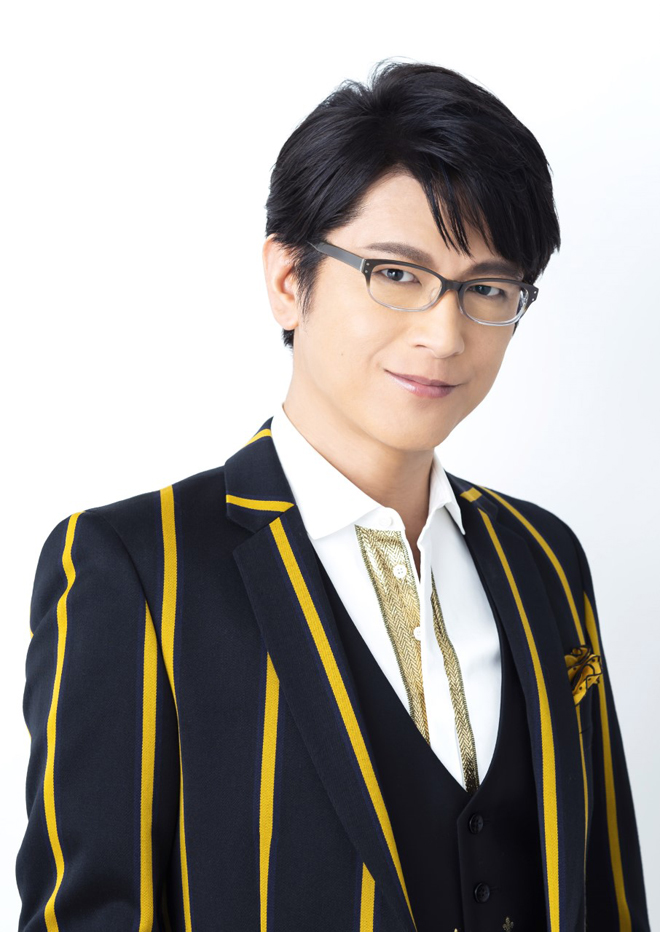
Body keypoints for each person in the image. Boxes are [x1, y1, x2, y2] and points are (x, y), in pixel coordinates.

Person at [16, 60, 650, 932]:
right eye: (396, 274)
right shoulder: (136, 567)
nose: (444, 333)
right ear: (289, 279)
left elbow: (607, 888)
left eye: (487, 289)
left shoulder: (543, 556)